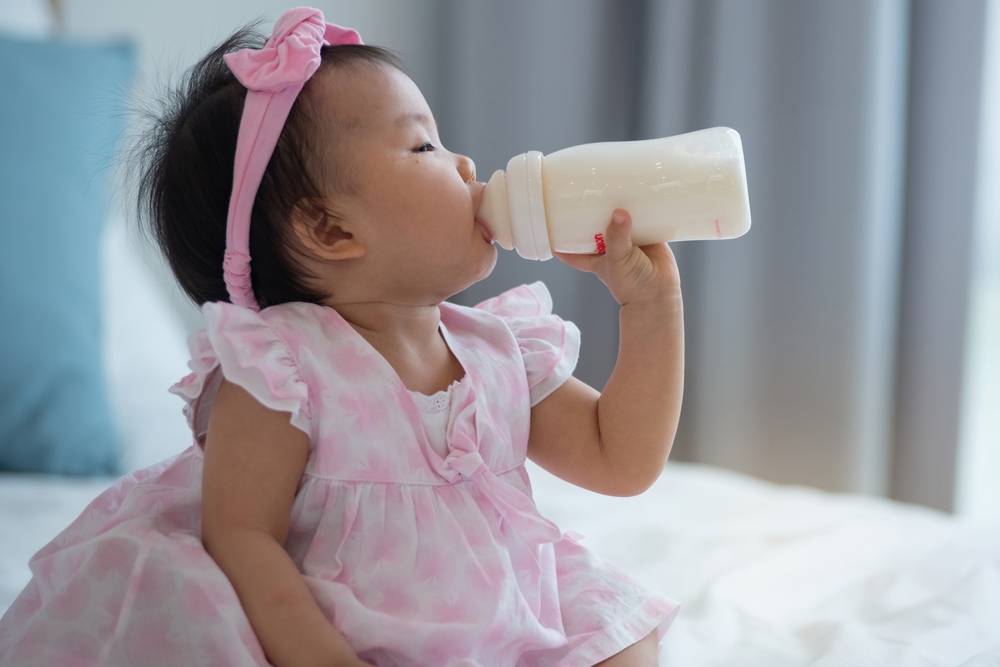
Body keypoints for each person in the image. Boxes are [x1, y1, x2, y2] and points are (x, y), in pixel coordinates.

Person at [0, 8, 684, 666]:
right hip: (350, 624)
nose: (467, 163)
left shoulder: (496, 349)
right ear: (331, 230)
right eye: (424, 145)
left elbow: (618, 459)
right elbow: (242, 536)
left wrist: (652, 308)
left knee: (617, 631)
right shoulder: (283, 368)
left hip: (499, 609)